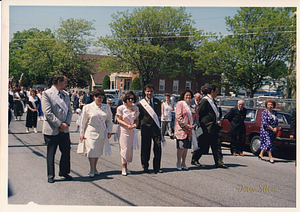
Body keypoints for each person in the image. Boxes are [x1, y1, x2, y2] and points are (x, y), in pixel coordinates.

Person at [42, 74, 73, 183]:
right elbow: (47, 112)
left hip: (65, 129)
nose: (66, 84)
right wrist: (60, 124)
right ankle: (51, 175)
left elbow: (69, 110)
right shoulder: (47, 94)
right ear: (59, 82)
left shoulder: (65, 95)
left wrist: (67, 124)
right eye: (65, 81)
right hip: (52, 129)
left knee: (66, 151)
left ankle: (64, 172)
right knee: (51, 153)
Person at [191, 85, 228, 169]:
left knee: (217, 144)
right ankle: (195, 159)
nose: (217, 93)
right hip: (206, 127)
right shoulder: (205, 100)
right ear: (212, 92)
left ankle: (219, 162)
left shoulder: (213, 101)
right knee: (203, 144)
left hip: (213, 126)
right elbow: (199, 112)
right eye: (216, 91)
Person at [79, 89, 113, 178]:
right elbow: (83, 122)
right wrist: (81, 133)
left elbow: (109, 121)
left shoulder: (106, 107)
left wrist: (109, 131)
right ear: (94, 97)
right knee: (91, 150)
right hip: (91, 131)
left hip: (102, 132)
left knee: (97, 151)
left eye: (102, 97)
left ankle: (95, 168)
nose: (100, 99)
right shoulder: (87, 107)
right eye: (98, 97)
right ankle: (91, 168)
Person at [137, 84, 163, 173]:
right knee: (145, 148)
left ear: (153, 92)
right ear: (145, 92)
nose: (149, 93)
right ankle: (145, 166)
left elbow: (158, 114)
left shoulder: (158, 101)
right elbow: (139, 116)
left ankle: (157, 167)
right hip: (146, 128)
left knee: (158, 147)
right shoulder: (141, 104)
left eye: (151, 91)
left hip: (156, 128)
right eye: (148, 91)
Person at [116, 91, 139, 176]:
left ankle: (127, 166)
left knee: (129, 149)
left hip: (131, 131)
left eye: (132, 98)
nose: (130, 100)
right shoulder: (121, 108)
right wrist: (127, 125)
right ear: (126, 99)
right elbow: (118, 119)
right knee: (124, 149)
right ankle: (123, 167)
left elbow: (137, 119)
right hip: (123, 130)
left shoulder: (135, 108)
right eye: (129, 98)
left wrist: (135, 125)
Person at [174, 90, 199, 170]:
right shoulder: (180, 104)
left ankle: (183, 162)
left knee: (186, 147)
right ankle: (178, 162)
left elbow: (196, 117)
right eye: (186, 95)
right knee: (181, 146)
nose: (188, 97)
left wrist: (193, 126)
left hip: (190, 130)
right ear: (183, 96)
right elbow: (178, 116)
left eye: (189, 95)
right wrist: (186, 125)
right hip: (181, 129)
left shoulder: (193, 105)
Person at [258, 99, 279, 164]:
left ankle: (261, 154)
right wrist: (272, 128)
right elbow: (264, 123)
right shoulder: (264, 112)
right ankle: (270, 157)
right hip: (265, 129)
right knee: (268, 142)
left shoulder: (275, 113)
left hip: (272, 130)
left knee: (268, 142)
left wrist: (275, 128)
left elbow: (276, 122)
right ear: (266, 106)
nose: (270, 106)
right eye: (268, 105)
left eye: (271, 105)